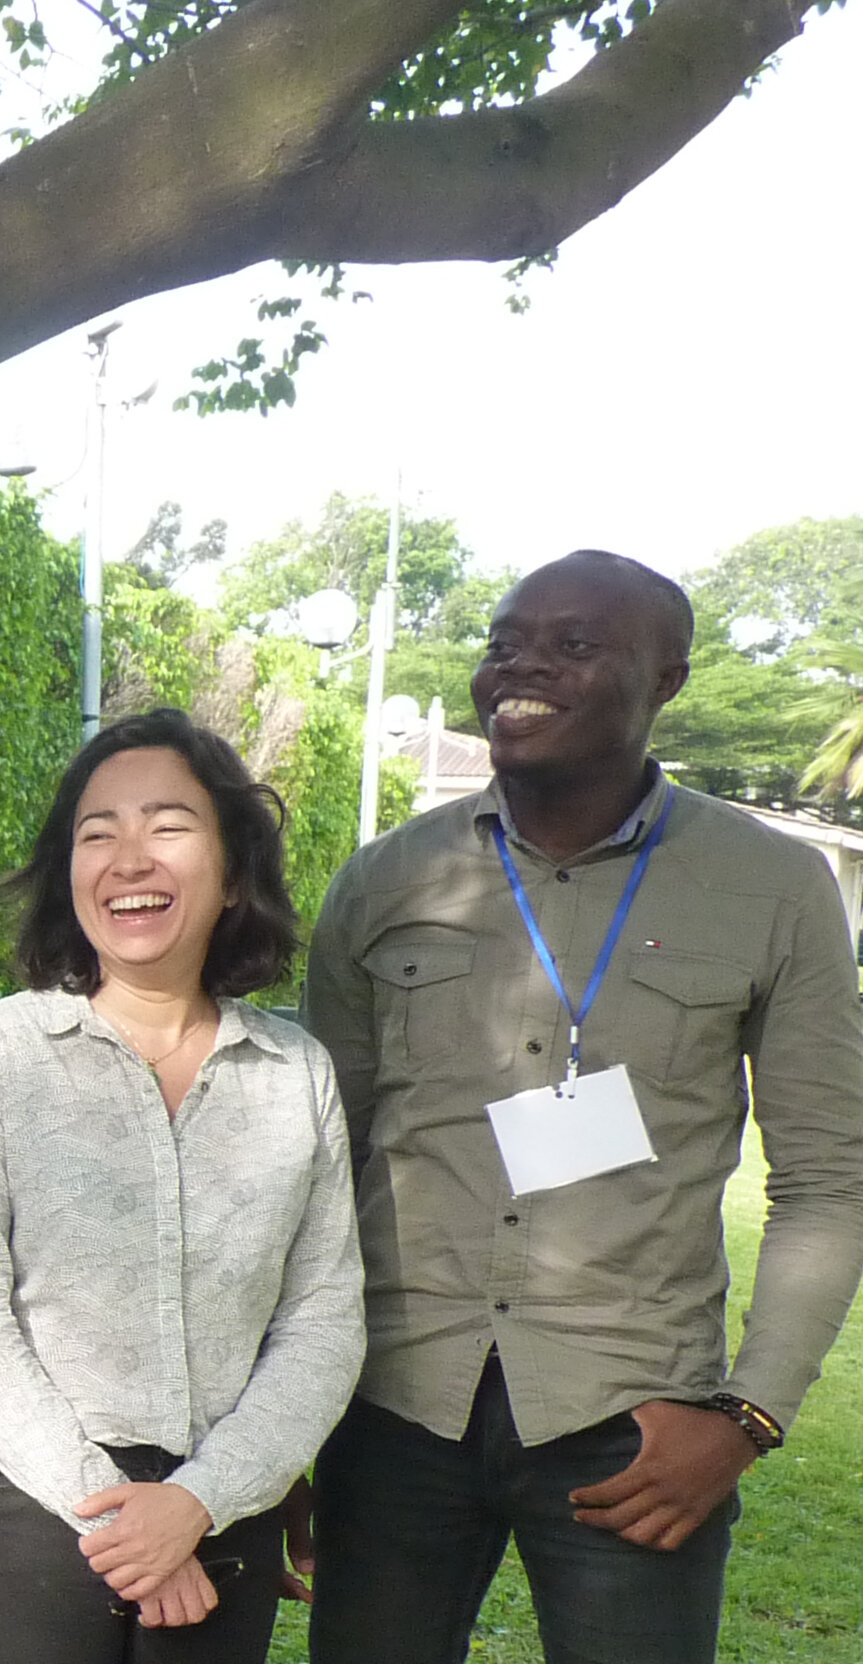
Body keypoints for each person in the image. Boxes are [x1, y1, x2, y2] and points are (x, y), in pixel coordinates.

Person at [302, 551, 863, 1664]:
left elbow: (827, 1183)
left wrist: (747, 1416)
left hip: (637, 1423)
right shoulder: (383, 882)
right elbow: (316, 1163)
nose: (521, 665)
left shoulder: (772, 887)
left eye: (574, 643)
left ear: (666, 678)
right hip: (394, 1404)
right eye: (505, 639)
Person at [0, 708, 362, 1663]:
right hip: (25, 1507)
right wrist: (123, 1526)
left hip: (224, 1503)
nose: (129, 858)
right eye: (96, 833)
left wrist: (196, 1502)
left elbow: (323, 1320)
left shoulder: (294, 1073)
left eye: (166, 826)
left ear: (233, 870)